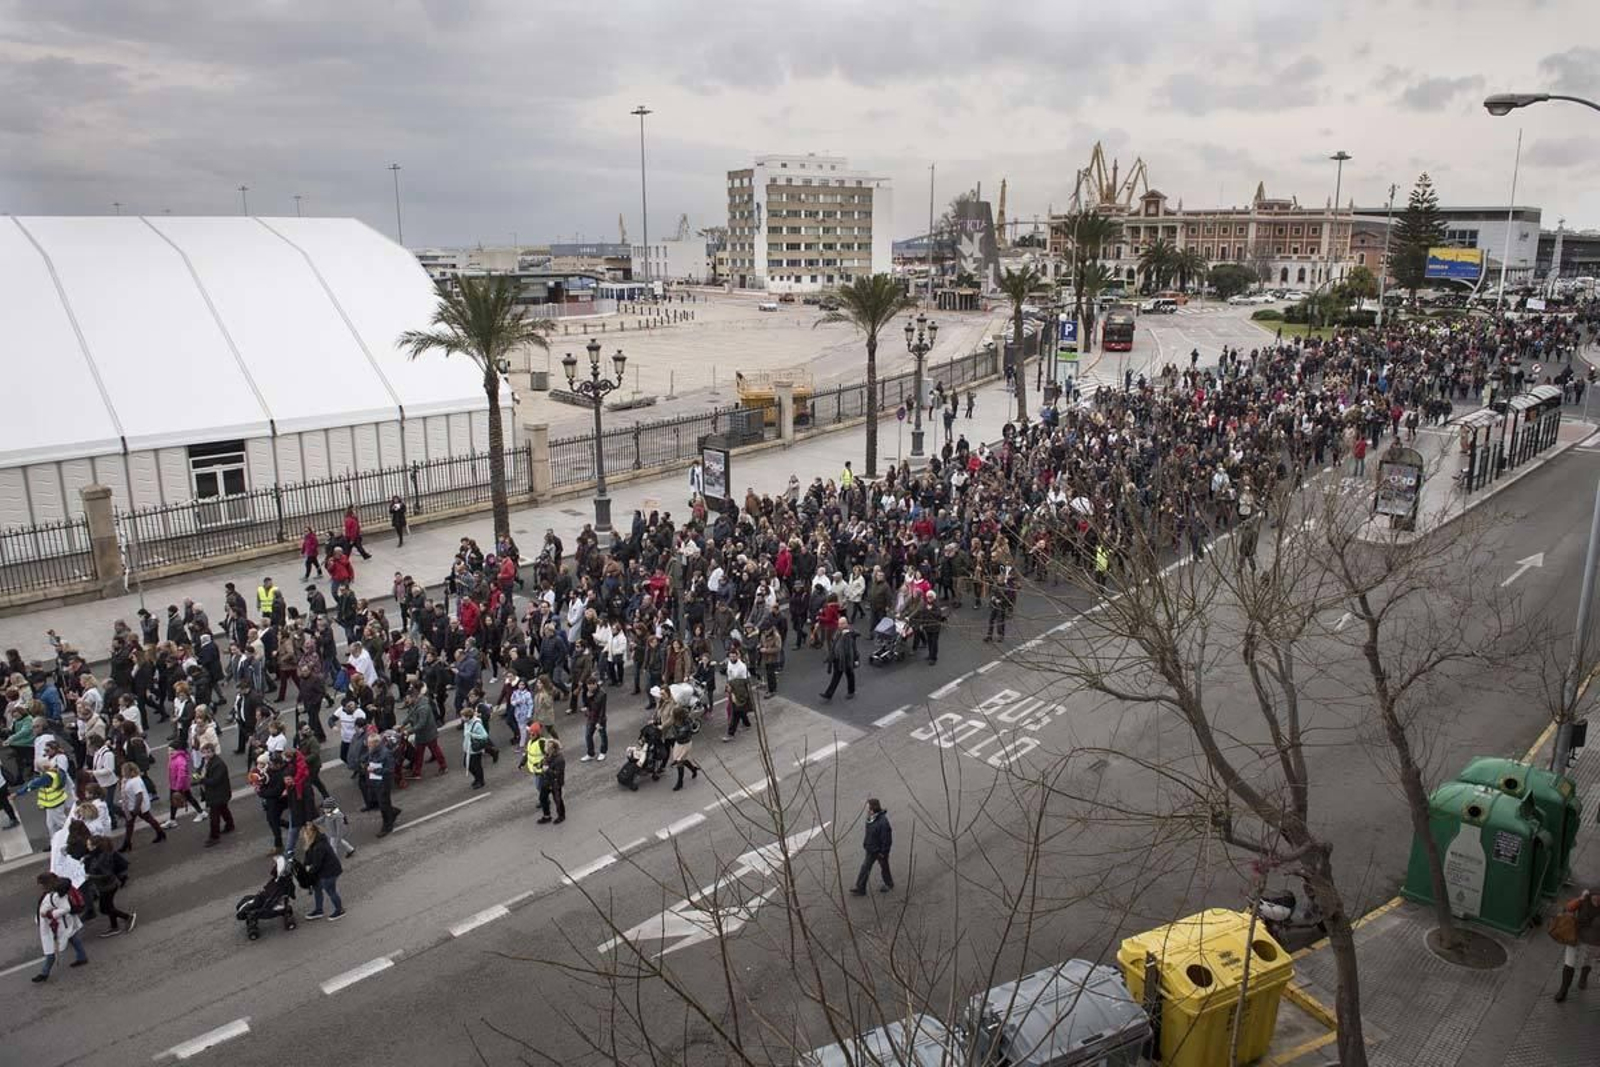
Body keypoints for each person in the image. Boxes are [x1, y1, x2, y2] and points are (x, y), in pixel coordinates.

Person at [32, 872, 88, 982]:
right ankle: (82, 957)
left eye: (41, 884)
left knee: (51, 949)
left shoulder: (56, 895)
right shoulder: (54, 893)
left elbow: (65, 908)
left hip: (58, 925)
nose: (40, 887)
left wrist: (49, 914)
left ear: (46, 884)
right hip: (63, 924)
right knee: (73, 937)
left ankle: (44, 973)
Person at [1554, 886, 1600, 1002]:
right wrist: (1580, 898)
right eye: (1595, 897)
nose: (1597, 900)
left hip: (1594, 941)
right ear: (1591, 895)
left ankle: (1583, 976)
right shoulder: (1584, 900)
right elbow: (1569, 908)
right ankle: (1563, 990)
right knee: (1569, 962)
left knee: (1588, 959)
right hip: (1576, 936)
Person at [85, 835, 134, 937]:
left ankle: (127, 917)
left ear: (95, 846)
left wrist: (90, 876)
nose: (87, 846)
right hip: (107, 886)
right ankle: (114, 926)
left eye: (89, 845)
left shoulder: (103, 858)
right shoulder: (98, 854)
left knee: (105, 908)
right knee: (109, 907)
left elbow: (107, 874)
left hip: (107, 887)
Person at [296, 821, 345, 921]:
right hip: (325, 871)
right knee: (317, 889)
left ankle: (339, 910)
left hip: (329, 872)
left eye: (304, 834)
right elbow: (308, 858)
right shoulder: (315, 842)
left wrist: (308, 872)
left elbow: (317, 864)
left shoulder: (319, 846)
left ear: (309, 834)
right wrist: (306, 865)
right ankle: (319, 910)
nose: (303, 837)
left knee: (330, 891)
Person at [116, 761, 166, 852]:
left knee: (140, 822)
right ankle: (160, 833)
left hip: (137, 807)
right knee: (133, 824)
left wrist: (136, 808)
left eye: (124, 771)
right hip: (131, 806)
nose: (122, 772)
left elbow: (139, 795)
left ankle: (127, 843)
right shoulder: (127, 780)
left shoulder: (135, 781)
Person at [850, 798, 894, 896]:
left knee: (883, 867)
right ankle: (861, 888)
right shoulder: (871, 818)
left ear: (872, 808)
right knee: (866, 867)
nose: (866, 809)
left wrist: (883, 852)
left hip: (879, 851)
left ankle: (888, 884)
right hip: (871, 848)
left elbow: (886, 839)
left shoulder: (883, 822)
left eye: (868, 807)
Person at [363, 730, 401, 836]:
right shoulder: (373, 751)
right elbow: (369, 760)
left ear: (375, 744)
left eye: (370, 744)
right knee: (381, 802)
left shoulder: (385, 754)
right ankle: (392, 812)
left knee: (383, 804)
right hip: (375, 780)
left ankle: (387, 825)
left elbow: (389, 770)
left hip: (383, 782)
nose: (368, 746)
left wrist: (374, 770)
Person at [199, 744, 236, 846]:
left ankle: (214, 836)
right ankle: (230, 825)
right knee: (223, 809)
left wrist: (202, 780)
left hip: (218, 793)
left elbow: (215, 780)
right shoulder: (208, 761)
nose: (205, 755)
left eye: (208, 752)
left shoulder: (218, 764)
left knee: (214, 816)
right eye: (204, 752)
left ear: (213, 752)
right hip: (218, 793)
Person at [724, 646, 755, 740]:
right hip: (732, 688)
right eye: (731, 656)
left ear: (737, 656)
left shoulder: (742, 667)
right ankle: (747, 724)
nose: (732, 658)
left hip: (740, 691)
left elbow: (743, 682)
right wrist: (728, 687)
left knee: (736, 712)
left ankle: (730, 734)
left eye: (734, 656)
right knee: (740, 710)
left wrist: (734, 694)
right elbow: (729, 676)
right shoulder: (729, 663)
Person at [317, 795, 356, 859]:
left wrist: (338, 835)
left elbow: (339, 827)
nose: (324, 810)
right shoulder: (330, 813)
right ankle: (350, 849)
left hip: (335, 833)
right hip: (333, 832)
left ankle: (334, 858)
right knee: (340, 841)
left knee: (333, 846)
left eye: (325, 808)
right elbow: (323, 818)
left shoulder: (336, 815)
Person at [462, 706, 490, 790]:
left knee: (476, 766)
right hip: (468, 748)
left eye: (463, 716)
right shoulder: (466, 723)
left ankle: (480, 781)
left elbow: (484, 736)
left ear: (468, 717)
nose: (462, 718)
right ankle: (477, 778)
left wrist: (472, 734)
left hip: (475, 749)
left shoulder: (477, 724)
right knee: (467, 764)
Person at [580, 677, 608, 762]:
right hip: (591, 717)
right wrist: (587, 702)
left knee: (603, 736)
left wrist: (599, 722)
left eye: (590, 686)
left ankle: (603, 752)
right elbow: (587, 704)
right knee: (588, 735)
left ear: (595, 684)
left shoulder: (602, 694)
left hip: (599, 719)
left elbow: (602, 710)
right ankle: (590, 753)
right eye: (588, 686)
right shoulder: (588, 692)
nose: (589, 688)